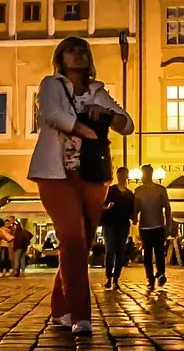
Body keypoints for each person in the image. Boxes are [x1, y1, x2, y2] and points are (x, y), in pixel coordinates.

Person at [31, 36, 134, 334]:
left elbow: (127, 125)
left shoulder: (97, 91)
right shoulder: (51, 85)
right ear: (60, 58)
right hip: (55, 174)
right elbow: (52, 115)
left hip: (92, 174)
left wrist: (108, 115)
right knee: (73, 239)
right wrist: (87, 130)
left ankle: (59, 309)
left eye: (82, 51)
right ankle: (81, 314)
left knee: (80, 245)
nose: (77, 56)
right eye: (70, 51)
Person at [133, 166, 173, 291]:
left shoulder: (160, 189)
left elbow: (167, 208)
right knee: (148, 255)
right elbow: (136, 207)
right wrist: (134, 216)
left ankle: (161, 274)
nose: (143, 177)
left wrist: (168, 226)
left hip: (159, 226)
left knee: (159, 252)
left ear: (149, 174)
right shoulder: (138, 190)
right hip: (145, 227)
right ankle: (150, 278)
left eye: (145, 174)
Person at [101, 166, 135, 289]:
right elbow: (101, 204)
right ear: (118, 175)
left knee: (121, 251)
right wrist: (107, 207)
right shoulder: (110, 190)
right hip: (110, 223)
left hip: (123, 224)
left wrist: (134, 217)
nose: (123, 177)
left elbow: (132, 210)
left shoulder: (130, 194)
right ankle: (108, 278)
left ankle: (116, 279)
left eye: (125, 174)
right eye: (121, 174)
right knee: (110, 250)